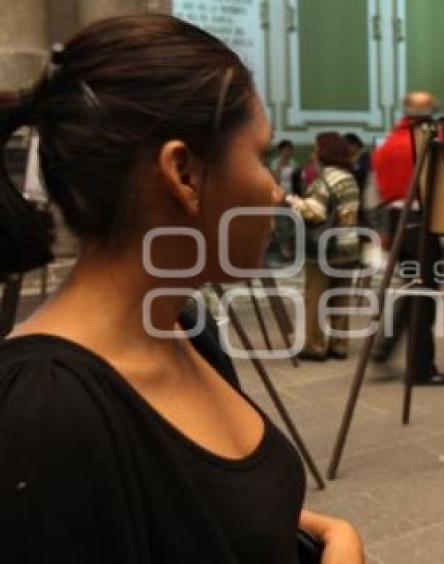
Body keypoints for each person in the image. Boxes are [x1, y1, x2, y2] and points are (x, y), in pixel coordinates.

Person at [0, 15, 363, 563]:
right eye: (260, 157)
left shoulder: (185, 326)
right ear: (184, 175)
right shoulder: (44, 413)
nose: (272, 191)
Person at [370, 91, 444, 386]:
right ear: (429, 113)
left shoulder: (388, 143)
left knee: (411, 289)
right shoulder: (427, 142)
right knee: (424, 298)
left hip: (397, 224)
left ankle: (385, 345)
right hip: (421, 222)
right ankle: (421, 368)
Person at [286, 132, 361, 361]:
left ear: (324, 152)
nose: (313, 152)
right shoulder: (349, 178)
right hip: (348, 245)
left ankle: (315, 346)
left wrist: (292, 201)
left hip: (324, 249)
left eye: (316, 148)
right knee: (340, 297)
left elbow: (315, 213)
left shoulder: (325, 178)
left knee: (316, 297)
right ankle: (339, 345)